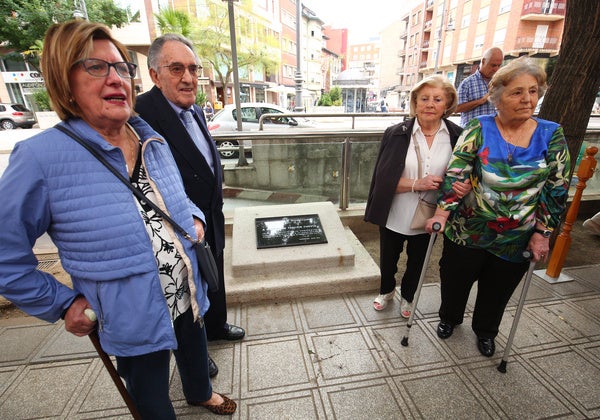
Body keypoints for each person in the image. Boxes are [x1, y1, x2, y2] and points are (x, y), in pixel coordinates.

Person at [0, 20, 235, 417]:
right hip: (131, 313)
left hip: (186, 289)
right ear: (62, 79)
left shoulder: (149, 138)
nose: (116, 78)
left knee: (194, 349)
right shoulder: (39, 158)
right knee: (151, 397)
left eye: (122, 67)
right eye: (96, 67)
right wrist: (60, 303)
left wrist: (193, 217)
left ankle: (200, 392)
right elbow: (6, 257)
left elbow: (175, 198)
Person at [426, 57, 571, 357]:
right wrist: (442, 213)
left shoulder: (551, 133)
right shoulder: (479, 127)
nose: (527, 99)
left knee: (498, 289)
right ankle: (449, 318)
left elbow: (556, 188)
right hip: (469, 227)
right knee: (455, 279)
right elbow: (457, 173)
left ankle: (486, 331)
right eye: (517, 92)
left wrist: (543, 233)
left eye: (532, 91)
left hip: (517, 233)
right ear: (497, 97)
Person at [135, 34, 245, 377]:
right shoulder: (140, 114)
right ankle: (197, 354)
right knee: (189, 288)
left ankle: (216, 327)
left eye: (193, 69)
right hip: (177, 225)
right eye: (177, 68)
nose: (188, 78)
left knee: (214, 274)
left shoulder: (193, 107)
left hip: (210, 215)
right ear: (155, 74)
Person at [364, 75, 471, 318]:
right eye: (424, 98)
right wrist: (418, 184)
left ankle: (409, 297)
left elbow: (466, 174)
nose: (430, 104)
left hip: (431, 215)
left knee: (418, 261)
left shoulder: (458, 136)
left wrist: (465, 187)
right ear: (415, 102)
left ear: (447, 104)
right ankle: (387, 290)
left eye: (437, 99)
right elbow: (383, 181)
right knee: (389, 260)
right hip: (394, 212)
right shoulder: (396, 133)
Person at [456, 47, 504, 127]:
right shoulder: (467, 83)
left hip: (493, 132)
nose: (496, 69)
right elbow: (457, 108)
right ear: (483, 61)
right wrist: (481, 101)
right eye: (493, 65)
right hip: (472, 134)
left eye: (499, 65)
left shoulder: (500, 83)